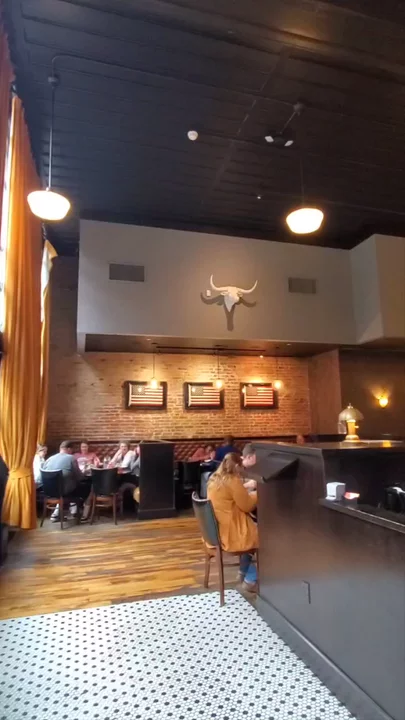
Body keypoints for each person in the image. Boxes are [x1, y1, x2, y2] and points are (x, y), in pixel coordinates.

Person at [207, 453, 258, 593]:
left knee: (253, 532)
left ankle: (244, 573)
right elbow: (247, 506)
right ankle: (251, 578)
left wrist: (245, 490)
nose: (241, 471)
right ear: (236, 466)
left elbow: (231, 496)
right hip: (230, 533)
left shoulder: (214, 478)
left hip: (215, 531)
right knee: (259, 535)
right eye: (240, 468)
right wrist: (259, 493)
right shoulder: (232, 480)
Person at [42, 440, 92, 522]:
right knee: (89, 486)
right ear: (69, 449)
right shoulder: (71, 458)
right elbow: (79, 476)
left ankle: (57, 514)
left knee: (64, 484)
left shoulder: (49, 459)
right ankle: (83, 515)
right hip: (64, 491)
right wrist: (84, 474)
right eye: (72, 450)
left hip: (48, 491)